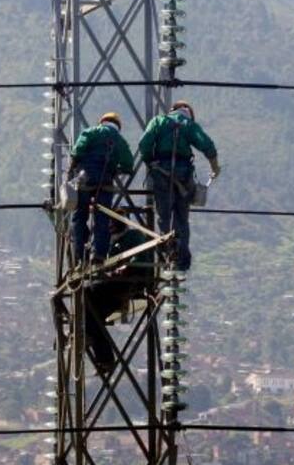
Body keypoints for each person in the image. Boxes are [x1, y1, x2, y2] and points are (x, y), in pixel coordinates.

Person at [138, 100, 221, 273]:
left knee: (164, 214)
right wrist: (215, 168)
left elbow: (144, 144)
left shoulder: (159, 121)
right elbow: (208, 146)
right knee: (182, 217)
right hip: (183, 175)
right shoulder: (189, 125)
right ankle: (182, 259)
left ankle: (166, 251)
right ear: (188, 113)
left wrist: (150, 161)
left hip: (161, 172)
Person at [84, 218, 155, 373]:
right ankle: (105, 358)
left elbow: (140, 257)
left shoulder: (133, 236)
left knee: (86, 295)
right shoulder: (109, 242)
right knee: (94, 317)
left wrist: (123, 269)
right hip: (117, 285)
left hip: (129, 282)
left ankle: (100, 352)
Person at [68, 111, 133, 266]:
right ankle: (99, 255)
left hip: (84, 180)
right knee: (102, 219)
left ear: (102, 121)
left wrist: (73, 168)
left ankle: (79, 254)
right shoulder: (120, 140)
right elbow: (128, 163)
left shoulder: (90, 132)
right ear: (117, 126)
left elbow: (77, 151)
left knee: (80, 217)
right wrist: (119, 169)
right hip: (105, 183)